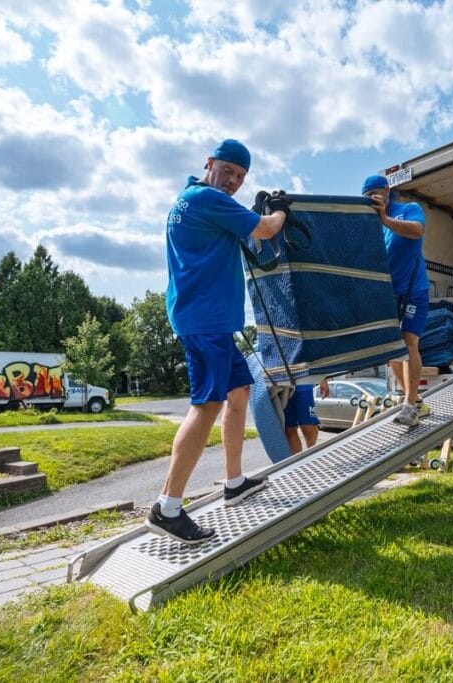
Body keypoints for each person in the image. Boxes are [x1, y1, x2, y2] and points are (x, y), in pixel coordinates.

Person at [147, 139, 288, 545]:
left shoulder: (191, 199)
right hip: (204, 320)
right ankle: (167, 508)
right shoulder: (206, 199)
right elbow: (265, 229)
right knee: (206, 404)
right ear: (209, 163)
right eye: (228, 171)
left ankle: (234, 482)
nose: (233, 181)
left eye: (241, 176)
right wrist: (280, 210)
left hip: (211, 320)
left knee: (238, 391)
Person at [362, 174, 430, 427]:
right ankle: (415, 400)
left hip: (414, 290)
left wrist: (386, 220)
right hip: (390, 293)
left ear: (387, 191)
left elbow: (417, 231)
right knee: (392, 351)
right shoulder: (371, 224)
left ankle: (410, 406)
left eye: (375, 194)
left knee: (409, 343)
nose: (372, 199)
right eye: (367, 197)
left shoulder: (409, 209)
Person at [284, 380, 330, 454]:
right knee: (289, 430)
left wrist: (323, 380)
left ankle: (312, 455)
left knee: (308, 426)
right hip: (280, 384)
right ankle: (298, 459)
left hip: (302, 381)